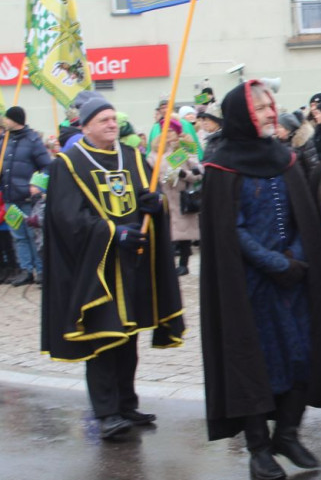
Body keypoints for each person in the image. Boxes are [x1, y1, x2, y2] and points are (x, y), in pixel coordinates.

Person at [200, 80, 321, 480]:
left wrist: (298, 258)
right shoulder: (221, 165)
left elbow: (305, 215)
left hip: (296, 280)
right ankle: (258, 448)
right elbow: (230, 229)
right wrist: (274, 263)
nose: (272, 113)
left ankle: (288, 433)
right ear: (242, 115)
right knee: (257, 365)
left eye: (272, 106)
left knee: (303, 356)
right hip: (249, 285)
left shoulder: (285, 157)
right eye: (262, 108)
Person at [41, 92, 184, 439]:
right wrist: (112, 234)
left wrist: (155, 204)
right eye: (103, 120)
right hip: (99, 270)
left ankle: (126, 404)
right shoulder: (69, 164)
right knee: (103, 340)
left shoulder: (133, 157)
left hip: (133, 266)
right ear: (86, 126)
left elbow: (150, 201)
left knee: (129, 339)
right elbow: (68, 218)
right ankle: (106, 412)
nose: (111, 124)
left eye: (113, 119)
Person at [0, 106, 52, 286]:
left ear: (15, 120)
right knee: (18, 236)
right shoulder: (3, 140)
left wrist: (36, 184)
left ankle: (42, 271)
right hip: (9, 198)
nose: (4, 121)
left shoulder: (32, 140)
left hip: (28, 199)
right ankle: (26, 270)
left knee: (33, 235)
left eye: (7, 118)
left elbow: (47, 166)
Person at [149, 120, 202, 276]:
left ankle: (183, 264)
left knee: (184, 231)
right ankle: (167, 263)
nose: (168, 134)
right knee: (167, 231)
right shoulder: (156, 151)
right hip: (164, 195)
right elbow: (151, 169)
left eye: (172, 130)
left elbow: (198, 172)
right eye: (165, 130)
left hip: (181, 196)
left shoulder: (185, 148)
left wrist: (184, 174)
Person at [274, 111, 319, 180]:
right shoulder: (276, 144)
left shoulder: (303, 142)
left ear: (288, 129)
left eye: (279, 127)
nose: (276, 130)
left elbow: (313, 168)